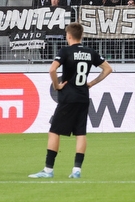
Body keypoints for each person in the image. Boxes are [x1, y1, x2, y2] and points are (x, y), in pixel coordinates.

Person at [29, 22, 112, 179]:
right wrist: (91, 83)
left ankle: (48, 170)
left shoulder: (66, 51)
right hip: (82, 97)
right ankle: (76, 170)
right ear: (81, 35)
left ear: (69, 35)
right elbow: (108, 69)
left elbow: (52, 69)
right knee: (81, 132)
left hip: (68, 97)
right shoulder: (90, 52)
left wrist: (56, 85)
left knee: (54, 131)